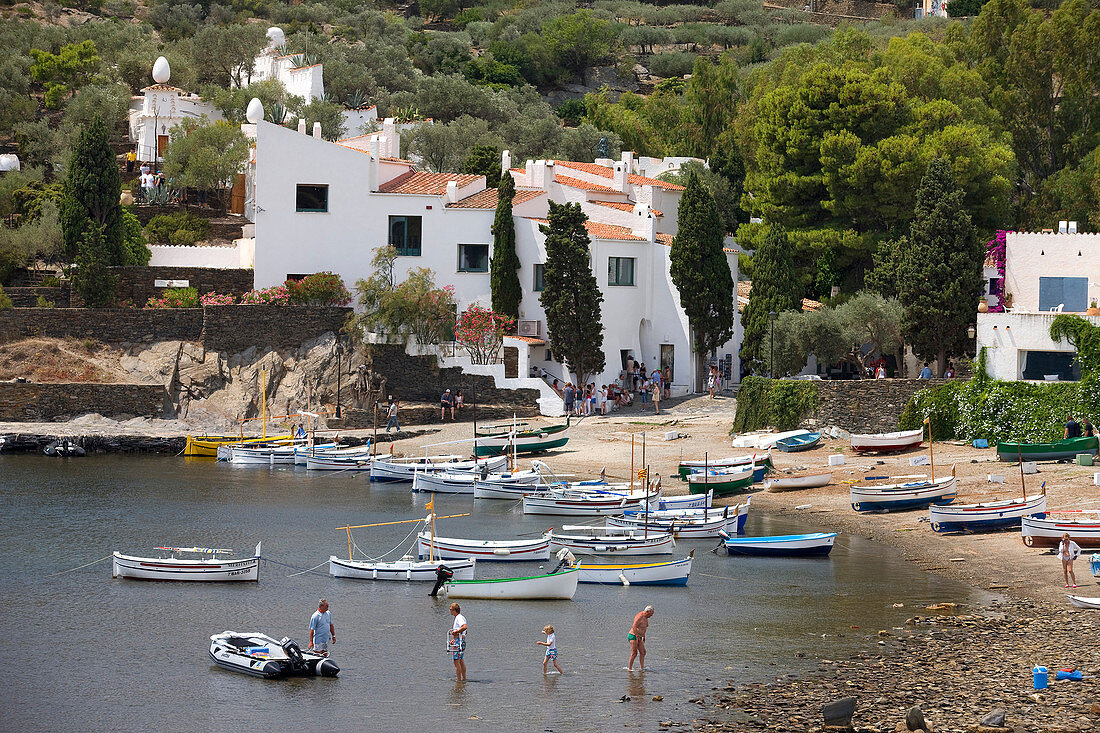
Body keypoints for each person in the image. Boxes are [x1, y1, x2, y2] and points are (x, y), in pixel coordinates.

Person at [627, 605, 654, 671]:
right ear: (647, 612)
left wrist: (643, 636)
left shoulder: (645, 617)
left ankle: (642, 668)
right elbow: (634, 626)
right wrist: (636, 635)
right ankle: (630, 669)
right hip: (633, 635)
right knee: (634, 653)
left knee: (643, 652)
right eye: (651, 614)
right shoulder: (640, 616)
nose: (651, 615)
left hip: (639, 636)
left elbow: (643, 628)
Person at [449, 602, 468, 681]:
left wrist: (455, 632)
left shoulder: (459, 618)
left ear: (454, 610)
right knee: (461, 660)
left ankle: (459, 680)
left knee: (456, 661)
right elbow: (465, 631)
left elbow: (464, 627)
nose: (449, 611)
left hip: (458, 642)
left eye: (450, 609)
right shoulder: (461, 617)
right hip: (460, 641)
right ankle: (463, 679)